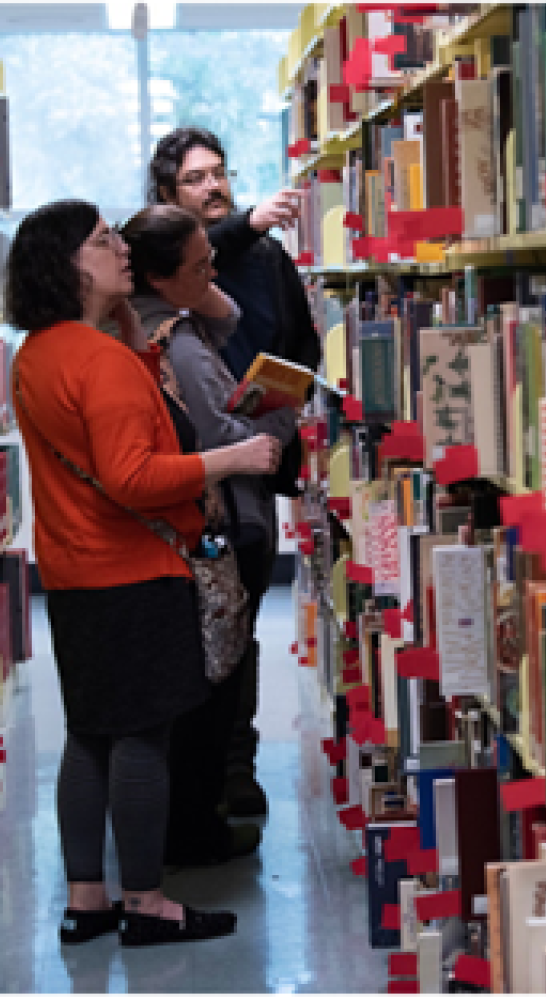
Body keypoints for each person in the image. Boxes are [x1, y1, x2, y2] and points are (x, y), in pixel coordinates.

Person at [3, 198, 283, 945]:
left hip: (70, 570)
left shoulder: (38, 351)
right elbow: (133, 476)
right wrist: (236, 457)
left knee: (90, 734)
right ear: (68, 266)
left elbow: (100, 440)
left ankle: (86, 899)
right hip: (133, 571)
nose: (119, 248)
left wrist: (132, 342)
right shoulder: (98, 361)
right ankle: (149, 903)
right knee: (142, 740)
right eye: (101, 241)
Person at [148, 126, 320, 818]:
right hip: (177, 476)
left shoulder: (268, 260)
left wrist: (273, 413)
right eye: (195, 179)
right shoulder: (154, 261)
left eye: (220, 174)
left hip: (252, 463)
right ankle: (186, 780)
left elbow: (299, 345)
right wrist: (245, 225)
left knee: (239, 621)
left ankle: (233, 767)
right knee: (186, 630)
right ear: (166, 193)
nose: (213, 187)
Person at [120, 203, 299, 855]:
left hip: (206, 514)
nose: (215, 270)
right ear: (161, 280)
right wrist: (282, 420)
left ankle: (194, 815)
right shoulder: (178, 342)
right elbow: (220, 434)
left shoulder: (169, 320)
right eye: (200, 265)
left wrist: (198, 289)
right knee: (216, 678)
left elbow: (229, 320)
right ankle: (197, 825)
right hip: (225, 514)